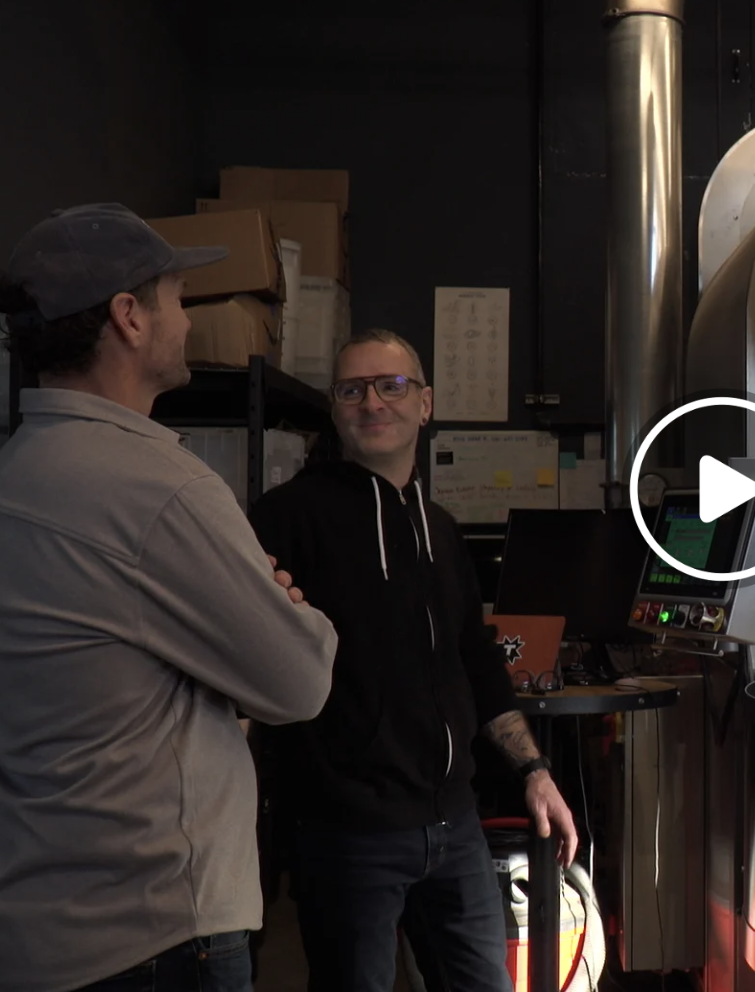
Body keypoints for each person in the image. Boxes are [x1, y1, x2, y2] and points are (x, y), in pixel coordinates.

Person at [0, 203, 340, 992]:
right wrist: (283, 609)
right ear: (129, 317)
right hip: (157, 935)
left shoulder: (15, 475)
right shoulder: (162, 489)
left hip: (41, 935)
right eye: (179, 299)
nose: (186, 322)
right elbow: (299, 682)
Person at [249, 328, 579, 992]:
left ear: (424, 404)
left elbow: (476, 662)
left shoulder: (442, 527)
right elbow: (253, 666)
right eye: (353, 388)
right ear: (336, 407)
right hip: (348, 835)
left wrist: (534, 770)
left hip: (455, 827)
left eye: (391, 385)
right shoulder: (286, 518)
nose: (373, 402)